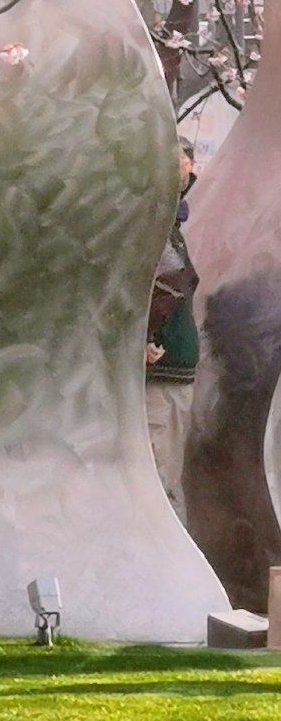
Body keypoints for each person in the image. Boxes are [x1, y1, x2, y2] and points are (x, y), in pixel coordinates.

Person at [146, 138, 200, 521]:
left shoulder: (172, 231)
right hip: (159, 378)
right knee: (160, 479)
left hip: (176, 375)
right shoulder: (154, 231)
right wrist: (145, 339)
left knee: (169, 475)